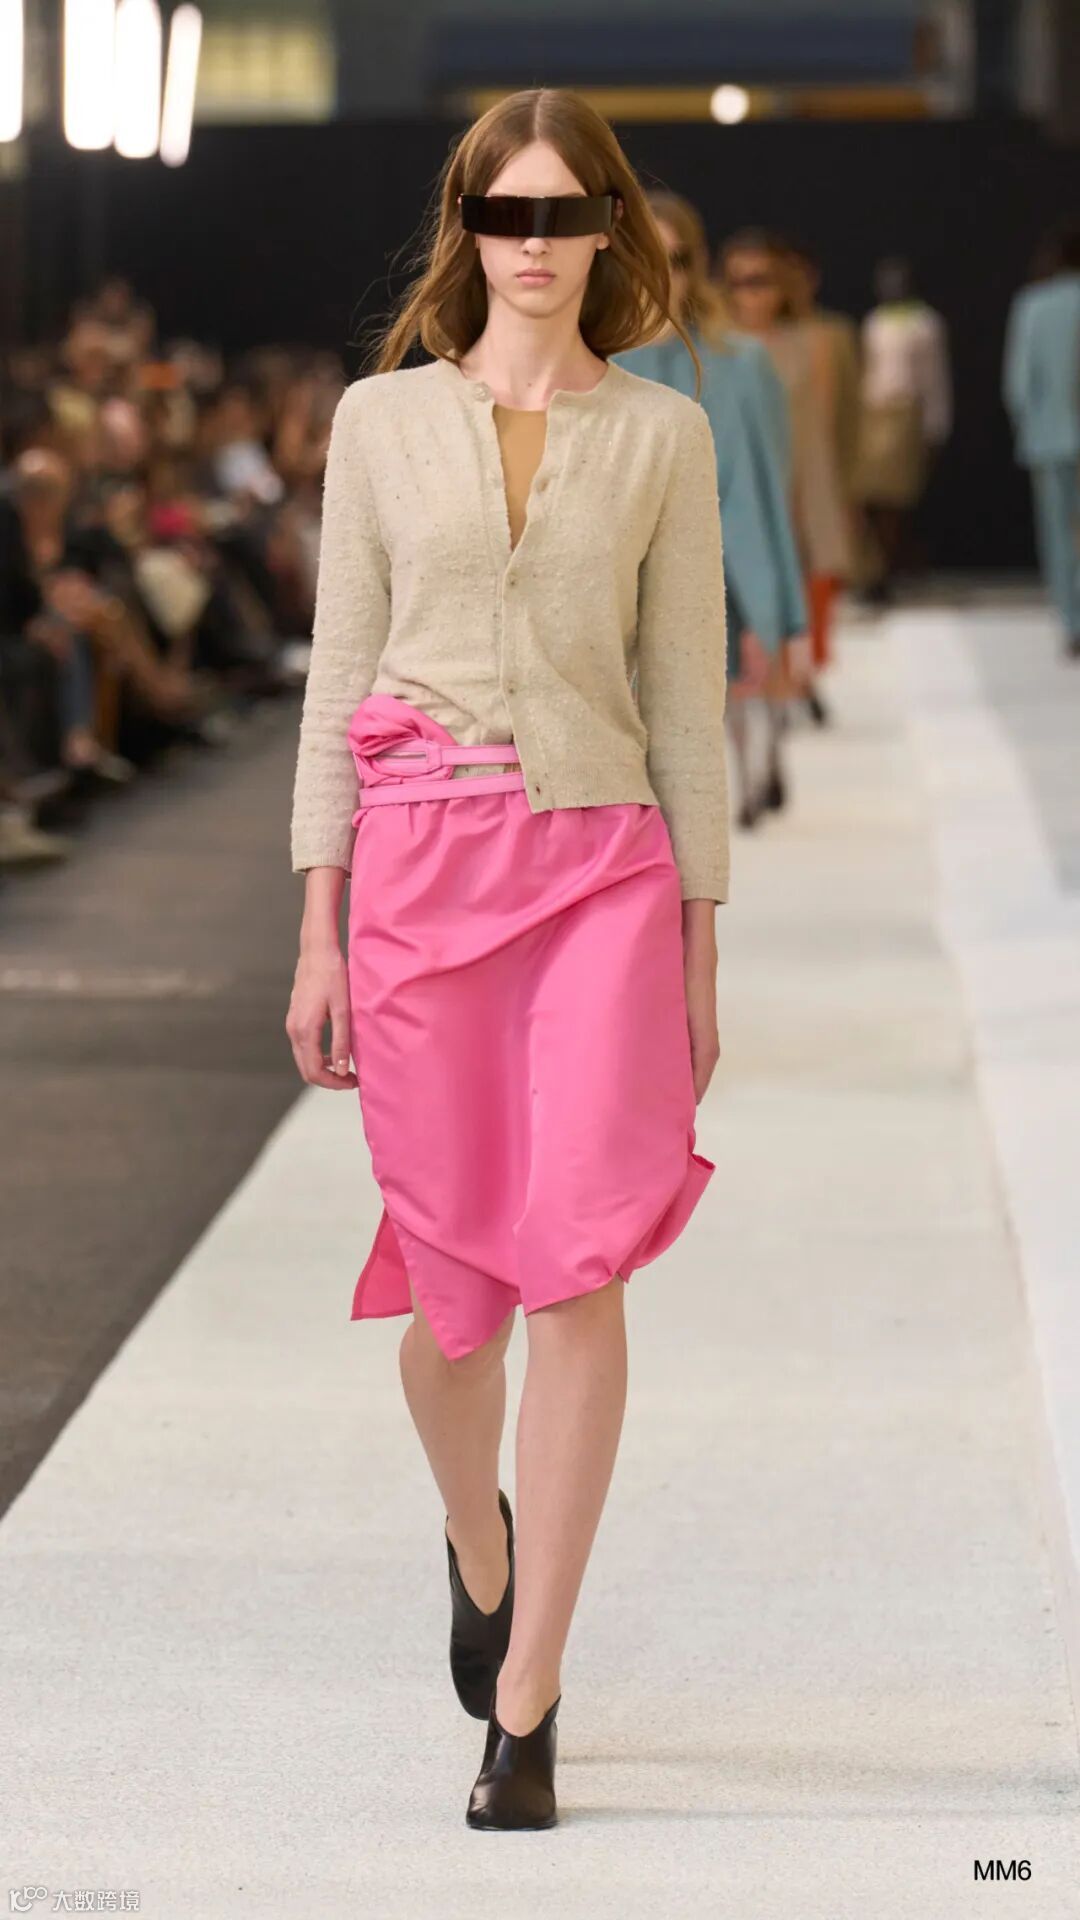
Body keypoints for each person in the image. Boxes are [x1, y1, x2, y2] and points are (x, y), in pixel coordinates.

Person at [286, 86, 729, 1831]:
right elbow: (338, 679)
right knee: (452, 1314)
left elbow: (685, 704)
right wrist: (316, 925)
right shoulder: (381, 421)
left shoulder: (664, 436)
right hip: (420, 880)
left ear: (611, 227)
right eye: (504, 213)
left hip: (603, 873)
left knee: (581, 1272)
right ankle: (479, 1539)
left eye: (564, 213)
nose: (534, 245)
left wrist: (698, 952)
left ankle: (529, 1694)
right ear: (466, 228)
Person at [612, 191, 807, 824]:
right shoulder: (592, 365)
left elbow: (768, 489)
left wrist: (791, 616)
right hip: (625, 590)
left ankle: (754, 773)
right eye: (646, 255)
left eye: (676, 259)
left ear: (695, 267)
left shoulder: (741, 362)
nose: (661, 274)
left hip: (728, 573)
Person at [718, 227, 853, 725]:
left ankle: (795, 682)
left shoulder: (814, 344)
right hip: (732, 498)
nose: (750, 294)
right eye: (738, 281)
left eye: (761, 280)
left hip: (800, 489)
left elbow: (826, 426)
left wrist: (827, 497)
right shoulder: (712, 348)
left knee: (805, 594)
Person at [854, 256, 952, 603]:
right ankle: (873, 569)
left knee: (893, 499)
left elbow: (934, 377)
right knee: (867, 496)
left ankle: (886, 572)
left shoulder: (925, 323)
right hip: (871, 415)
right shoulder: (876, 321)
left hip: (905, 416)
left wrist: (936, 426)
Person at [1003, 220, 1080, 660]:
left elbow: (1018, 382)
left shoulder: (1034, 305)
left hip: (1049, 435)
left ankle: (1072, 621)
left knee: (1058, 533)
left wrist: (1026, 424)